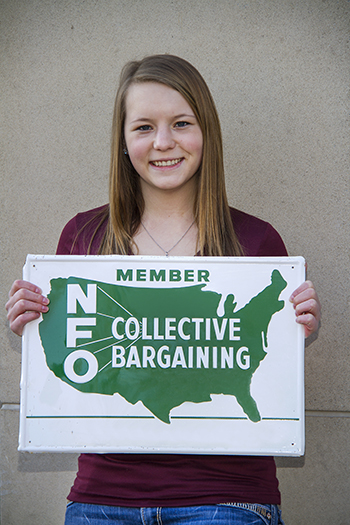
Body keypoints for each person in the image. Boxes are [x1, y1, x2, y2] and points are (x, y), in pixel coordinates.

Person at [6, 54, 320, 525]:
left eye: (181, 123)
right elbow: (70, 381)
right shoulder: (83, 239)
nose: (164, 142)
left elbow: (266, 372)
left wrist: (295, 326)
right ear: (123, 141)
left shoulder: (257, 243)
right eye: (144, 127)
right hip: (103, 499)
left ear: (206, 132)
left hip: (227, 498)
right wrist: (36, 330)